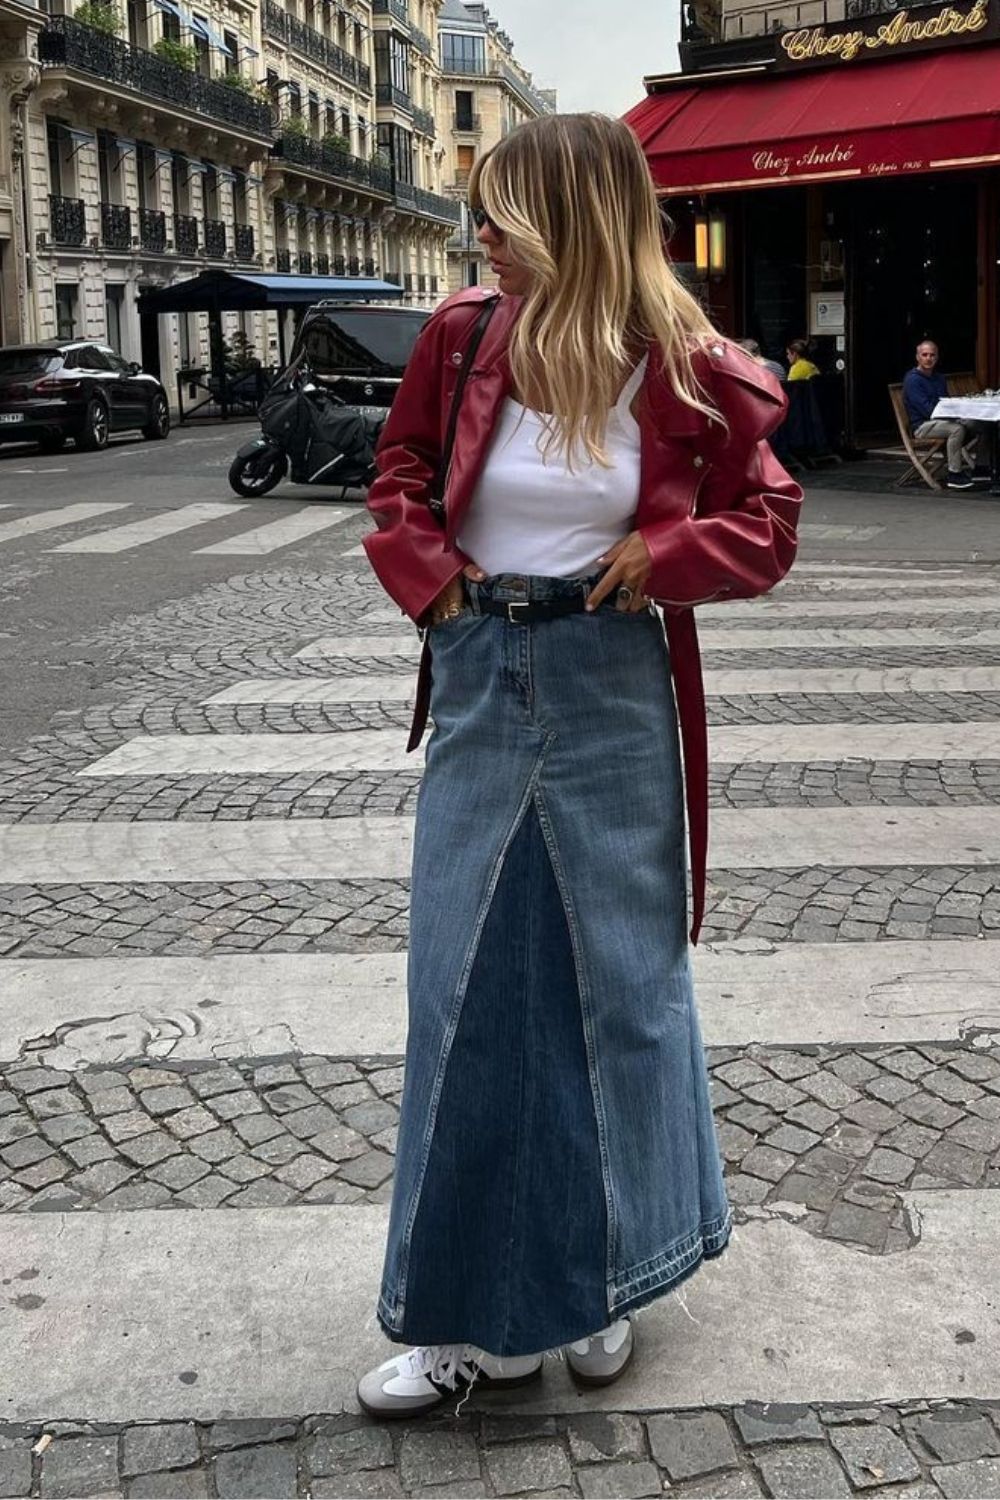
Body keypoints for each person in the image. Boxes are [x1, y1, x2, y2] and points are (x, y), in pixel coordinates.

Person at [360, 112, 802, 1419]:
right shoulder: (459, 338)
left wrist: (669, 560)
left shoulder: (687, 365)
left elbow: (768, 522)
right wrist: (432, 586)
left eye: (502, 214)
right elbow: (396, 479)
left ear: (570, 217)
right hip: (487, 674)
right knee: (468, 989)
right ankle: (462, 1320)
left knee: (624, 991)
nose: (480, 236)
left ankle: (610, 1273)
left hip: (614, 682)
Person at [902, 340, 991, 491]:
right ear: (917, 357)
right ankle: (954, 474)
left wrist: (958, 413)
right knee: (957, 429)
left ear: (937, 358)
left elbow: (945, 403)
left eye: (932, 355)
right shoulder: (913, 380)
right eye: (924, 355)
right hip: (923, 425)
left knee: (983, 424)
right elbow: (928, 411)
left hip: (944, 419)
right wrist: (954, 416)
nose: (928, 358)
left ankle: (982, 468)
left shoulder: (939, 378)